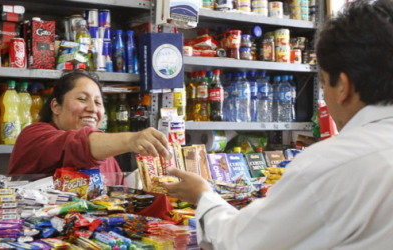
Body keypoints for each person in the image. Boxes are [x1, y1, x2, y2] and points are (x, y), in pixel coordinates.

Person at [163, 1, 393, 249]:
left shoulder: (331, 165)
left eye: (324, 83)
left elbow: (243, 242)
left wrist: (203, 196)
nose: (324, 94)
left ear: (344, 87)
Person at [8, 71, 170, 185]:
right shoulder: (34, 136)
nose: (93, 108)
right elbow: (76, 144)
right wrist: (132, 139)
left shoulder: (106, 156)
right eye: (82, 99)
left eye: (98, 102)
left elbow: (123, 202)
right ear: (56, 106)